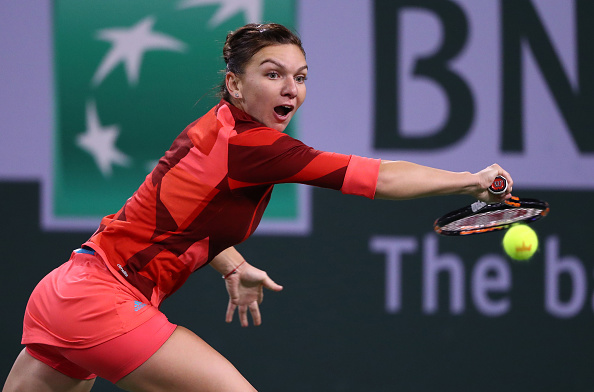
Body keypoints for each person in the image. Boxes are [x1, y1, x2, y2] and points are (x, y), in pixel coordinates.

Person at [3, 23, 513, 392]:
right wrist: (470, 181)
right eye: (273, 74)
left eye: (301, 76)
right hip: (102, 304)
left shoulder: (217, 129)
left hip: (68, 292)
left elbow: (175, 217)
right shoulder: (255, 147)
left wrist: (232, 263)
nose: (291, 88)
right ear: (235, 84)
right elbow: (376, 178)